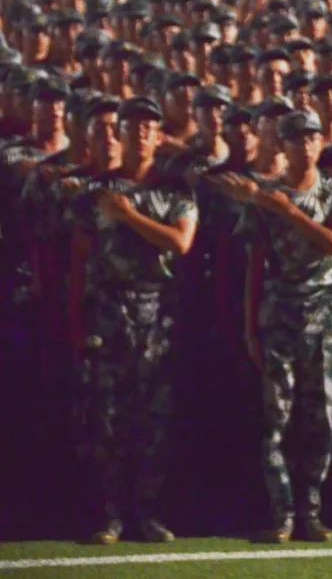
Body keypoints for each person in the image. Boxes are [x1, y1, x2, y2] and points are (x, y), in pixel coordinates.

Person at [221, 110, 332, 543]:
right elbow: (255, 268)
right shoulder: (265, 199)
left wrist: (287, 209)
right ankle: (281, 513)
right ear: (282, 145)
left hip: (324, 315)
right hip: (278, 313)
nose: (307, 145)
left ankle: (310, 510)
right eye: (297, 138)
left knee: (320, 417)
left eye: (313, 137)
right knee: (277, 416)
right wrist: (250, 328)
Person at [67, 97, 198, 544]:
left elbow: (180, 243)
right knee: (108, 420)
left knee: (154, 420)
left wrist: (128, 215)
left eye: (148, 128)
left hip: (158, 316)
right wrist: (75, 321)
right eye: (131, 127)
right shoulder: (93, 193)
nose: (140, 135)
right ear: (118, 134)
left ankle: (148, 512)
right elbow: (78, 261)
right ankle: (111, 515)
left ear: (159, 137)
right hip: (108, 315)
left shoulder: (176, 192)